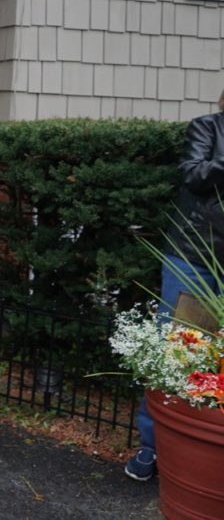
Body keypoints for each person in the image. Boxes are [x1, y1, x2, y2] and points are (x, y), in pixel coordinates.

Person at [125, 89, 224, 481]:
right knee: (180, 351)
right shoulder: (208, 128)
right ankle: (153, 446)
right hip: (195, 258)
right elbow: (192, 175)